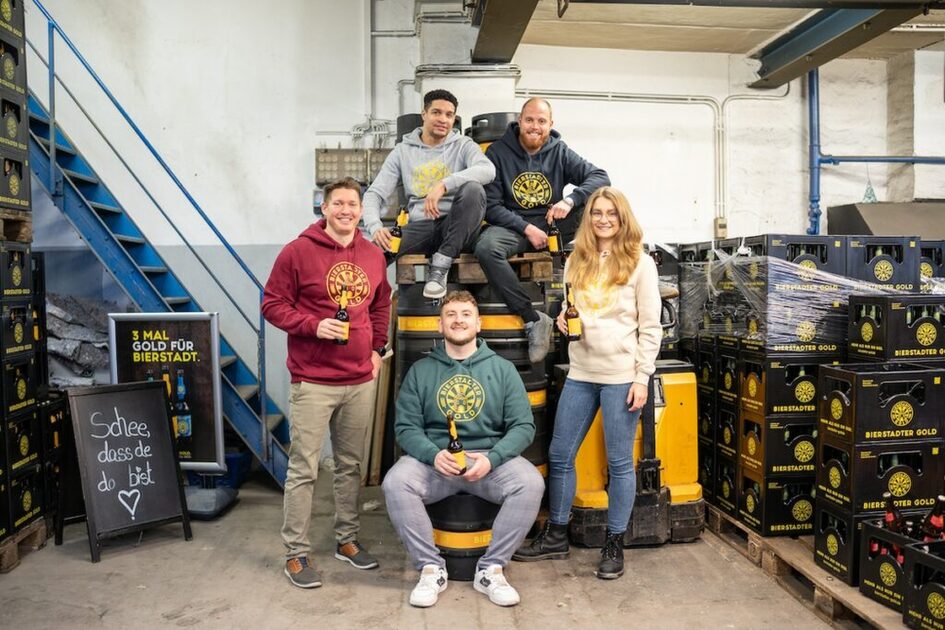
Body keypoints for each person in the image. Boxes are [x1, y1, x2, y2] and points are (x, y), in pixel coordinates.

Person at [512, 186, 662, 580]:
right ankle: (557, 534)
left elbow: (651, 327)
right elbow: (571, 306)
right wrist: (562, 318)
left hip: (620, 377)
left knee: (618, 464)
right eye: (597, 212)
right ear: (588, 217)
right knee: (560, 455)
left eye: (611, 213)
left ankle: (614, 543)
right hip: (580, 372)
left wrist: (642, 377)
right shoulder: (576, 260)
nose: (603, 219)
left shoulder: (641, 264)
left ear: (622, 217)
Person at [262, 177, 392, 589]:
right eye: (338, 203)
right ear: (324, 208)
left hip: (359, 380)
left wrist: (376, 350)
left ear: (360, 209)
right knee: (304, 469)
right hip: (313, 380)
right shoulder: (297, 252)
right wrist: (312, 326)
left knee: (350, 466)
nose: (346, 210)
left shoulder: (372, 255)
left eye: (352, 204)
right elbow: (272, 304)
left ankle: (346, 540)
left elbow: (382, 303)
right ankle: (296, 553)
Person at [382, 291, 544, 608]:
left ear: (479, 324)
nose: (459, 320)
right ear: (440, 325)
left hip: (487, 461)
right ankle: (430, 569)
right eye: (451, 314)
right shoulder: (421, 371)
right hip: (436, 462)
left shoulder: (502, 370)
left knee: (530, 483)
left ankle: (491, 570)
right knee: (395, 483)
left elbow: (524, 426)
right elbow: (405, 427)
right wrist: (432, 454)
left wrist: (493, 458)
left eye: (466, 314)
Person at [474, 98, 610, 363]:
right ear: (520, 121)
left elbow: (600, 176)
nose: (535, 126)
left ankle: (611, 275)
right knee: (486, 249)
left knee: (599, 203)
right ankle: (533, 319)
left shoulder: (559, 151)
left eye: (541, 121)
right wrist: (526, 228)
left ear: (550, 124)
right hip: (513, 227)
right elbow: (490, 207)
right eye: (529, 120)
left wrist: (570, 200)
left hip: (552, 225)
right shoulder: (497, 154)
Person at [363, 89, 496, 299]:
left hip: (460, 228)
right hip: (423, 227)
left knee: (474, 189)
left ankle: (440, 267)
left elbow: (488, 170)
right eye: (437, 112)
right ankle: (352, 313)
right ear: (424, 114)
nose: (443, 119)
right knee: (367, 256)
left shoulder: (463, 145)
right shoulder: (403, 151)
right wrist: (375, 226)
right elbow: (374, 194)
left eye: (449, 115)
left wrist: (443, 184)